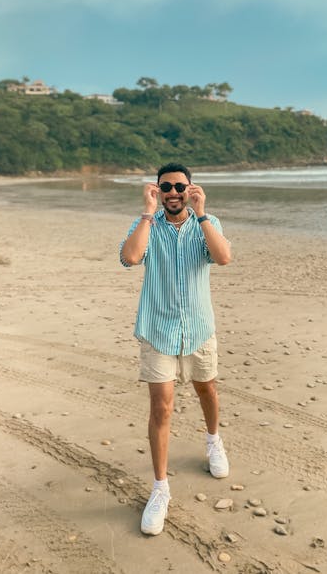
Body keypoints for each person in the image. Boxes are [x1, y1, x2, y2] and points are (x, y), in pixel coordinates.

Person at [119, 162, 232, 536]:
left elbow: (223, 257)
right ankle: (160, 488)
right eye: (165, 186)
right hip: (158, 330)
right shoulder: (147, 226)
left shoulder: (206, 223)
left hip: (199, 329)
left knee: (207, 389)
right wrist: (147, 213)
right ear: (157, 190)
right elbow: (130, 258)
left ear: (190, 189)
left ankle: (213, 440)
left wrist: (201, 215)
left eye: (179, 187)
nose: (173, 192)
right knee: (161, 406)